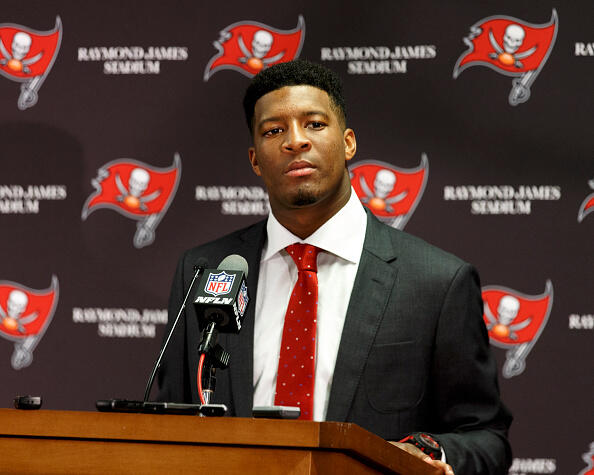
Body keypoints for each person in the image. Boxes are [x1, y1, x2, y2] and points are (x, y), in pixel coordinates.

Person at [157, 59, 512, 474]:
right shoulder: (204, 271)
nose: (295, 142)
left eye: (314, 124)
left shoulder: (436, 283)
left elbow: (486, 438)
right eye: (274, 131)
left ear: (348, 143)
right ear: (255, 159)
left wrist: (428, 454)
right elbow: (169, 424)